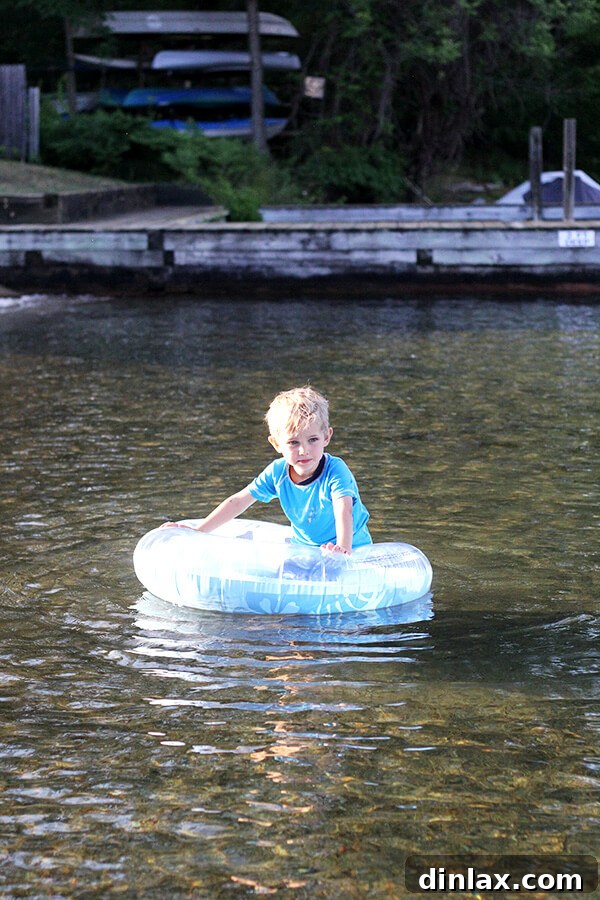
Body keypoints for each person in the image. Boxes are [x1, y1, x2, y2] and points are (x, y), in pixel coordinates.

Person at [164, 386, 371, 554]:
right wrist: (199, 531)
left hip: (353, 547)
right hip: (306, 549)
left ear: (327, 437)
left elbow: (343, 510)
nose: (304, 450)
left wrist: (343, 548)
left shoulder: (335, 470)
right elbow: (239, 501)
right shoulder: (278, 472)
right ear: (276, 444)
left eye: (313, 440)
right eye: (292, 442)